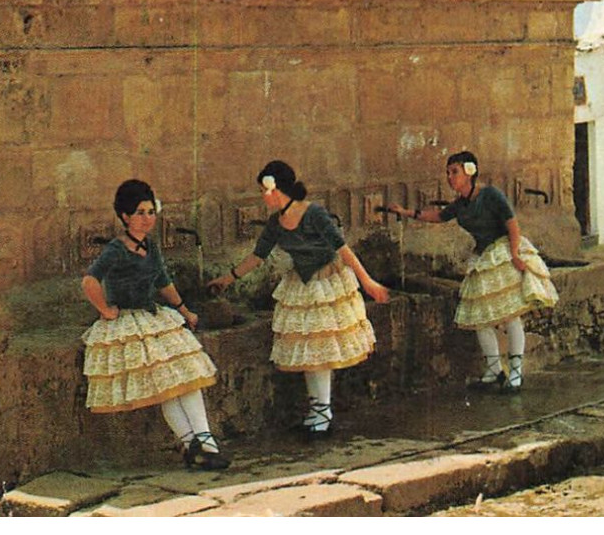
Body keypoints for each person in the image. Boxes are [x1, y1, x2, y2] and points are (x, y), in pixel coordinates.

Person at [208, 161, 390, 437]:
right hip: (303, 283)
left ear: (274, 189)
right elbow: (258, 256)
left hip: (327, 283)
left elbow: (342, 248)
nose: (262, 197)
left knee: (320, 348)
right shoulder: (275, 223)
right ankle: (319, 410)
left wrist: (367, 282)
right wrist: (227, 279)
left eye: (263, 191)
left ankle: (322, 412)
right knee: (309, 349)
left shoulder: (313, 213)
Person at [81, 179, 227, 470]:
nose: (147, 219)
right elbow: (90, 280)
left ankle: (204, 442)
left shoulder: (152, 246)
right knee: (166, 386)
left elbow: (162, 281)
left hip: (154, 317)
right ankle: (192, 444)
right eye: (140, 213)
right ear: (124, 216)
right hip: (129, 321)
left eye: (151, 212)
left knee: (186, 375)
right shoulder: (116, 249)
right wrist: (105, 310)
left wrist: (185, 310)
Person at [392, 151, 558, 391]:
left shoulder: (490, 195)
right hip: (483, 257)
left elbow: (512, 224)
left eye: (454, 172)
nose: (450, 177)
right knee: (481, 317)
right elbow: (438, 216)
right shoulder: (460, 204)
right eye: (448, 173)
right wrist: (407, 213)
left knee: (511, 314)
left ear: (469, 172)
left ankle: (516, 373)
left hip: (502, 252)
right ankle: (493, 371)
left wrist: (515, 254)